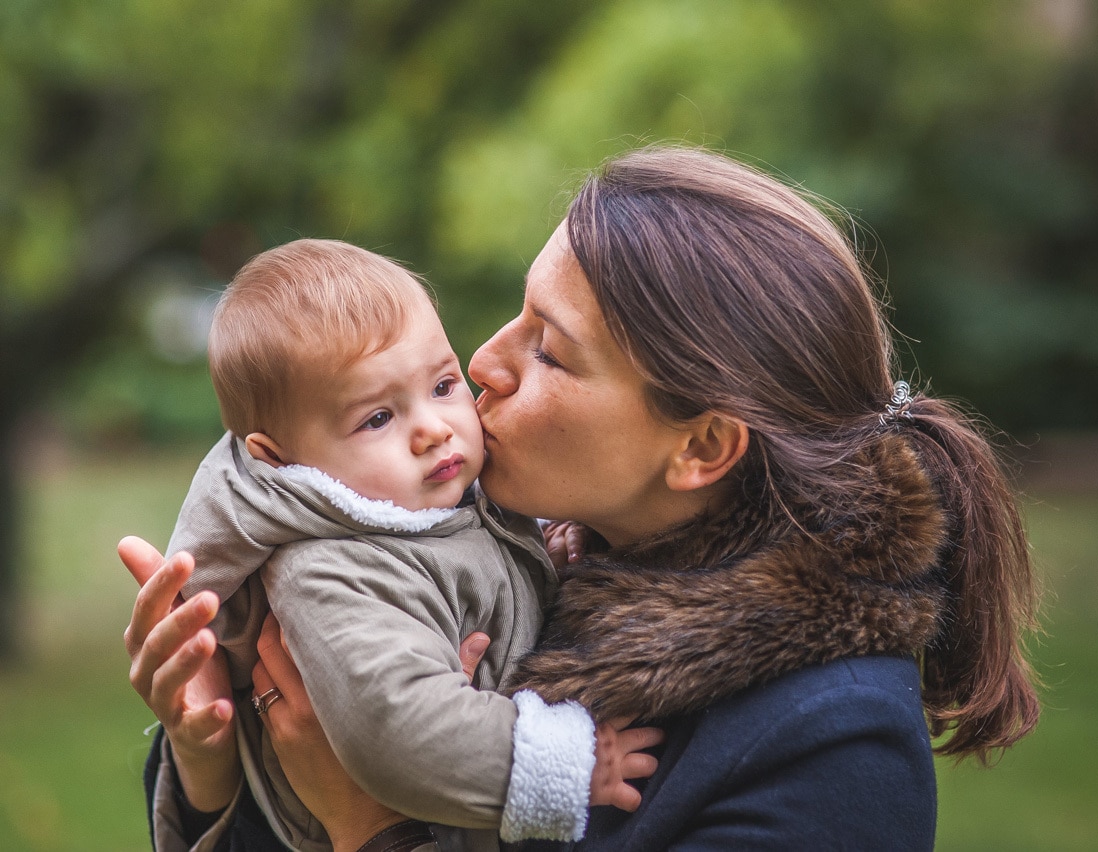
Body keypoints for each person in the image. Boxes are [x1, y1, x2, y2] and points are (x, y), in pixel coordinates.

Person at [124, 145, 1041, 851]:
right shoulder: (509, 557)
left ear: (703, 446)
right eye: (516, 316)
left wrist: (375, 830)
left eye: (550, 351)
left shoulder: (831, 747)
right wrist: (209, 758)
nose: (481, 364)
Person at [128, 238, 657, 852]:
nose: (433, 429)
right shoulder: (333, 571)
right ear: (280, 459)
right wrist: (565, 763)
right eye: (377, 418)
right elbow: (399, 728)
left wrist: (551, 547)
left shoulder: (431, 506)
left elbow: (493, 562)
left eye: (442, 385)